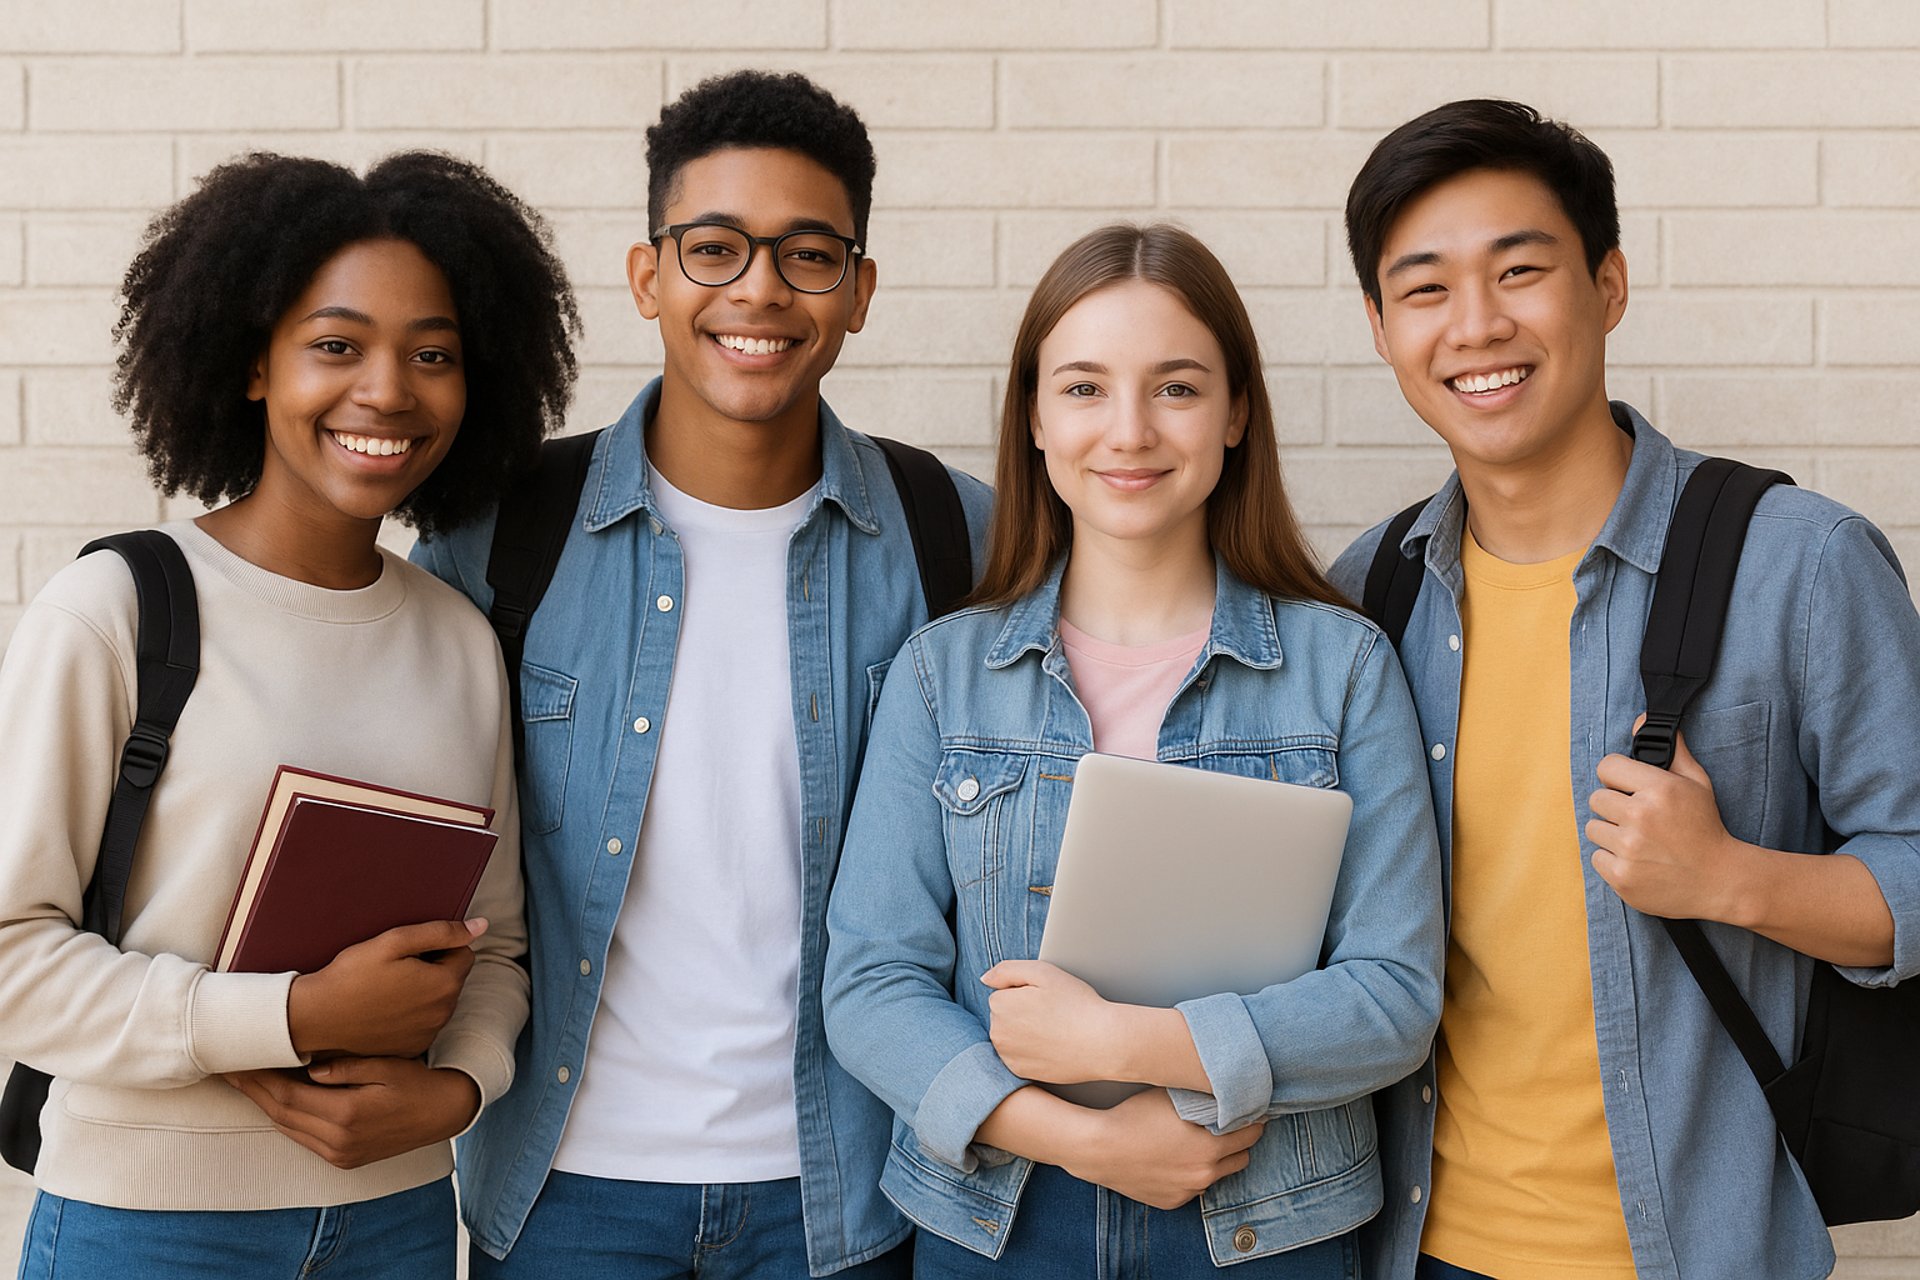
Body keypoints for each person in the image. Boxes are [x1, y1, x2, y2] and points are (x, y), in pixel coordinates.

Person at [410, 70, 992, 1278]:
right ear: (648, 276)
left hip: (850, 1191)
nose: (761, 291)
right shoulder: (506, 528)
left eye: (809, 255)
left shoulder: (959, 533)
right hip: (566, 1188)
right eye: (716, 247)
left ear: (861, 290)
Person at [1330, 98, 1920, 1280]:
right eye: (1427, 288)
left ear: (1608, 285)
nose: (1477, 325)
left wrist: (1731, 878)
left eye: (1521, 270)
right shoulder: (1371, 592)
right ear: (1382, 327)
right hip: (1417, 1247)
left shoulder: (1799, 563)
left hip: (1696, 1252)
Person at [823, 222, 1445, 1277]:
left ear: (1237, 410)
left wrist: (1125, 1044)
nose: (1129, 430)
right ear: (1031, 415)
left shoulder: (1344, 667)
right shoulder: (943, 672)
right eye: (1083, 388)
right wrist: (1087, 1137)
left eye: (1176, 387)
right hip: (999, 1223)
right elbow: (872, 985)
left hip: (1269, 1223)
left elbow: (1392, 998)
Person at [0, 150, 580, 1277]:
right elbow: (12, 961)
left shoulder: (460, 635)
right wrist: (298, 1013)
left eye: (434, 354)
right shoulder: (117, 609)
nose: (388, 390)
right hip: (147, 1227)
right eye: (335, 344)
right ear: (252, 361)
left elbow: (497, 946)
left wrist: (457, 1086)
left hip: (400, 1224)